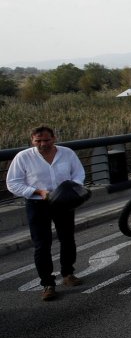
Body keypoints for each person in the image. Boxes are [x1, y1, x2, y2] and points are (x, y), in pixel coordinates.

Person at [6, 126, 86, 301]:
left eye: (47, 140)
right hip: (37, 204)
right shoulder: (23, 157)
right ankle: (47, 283)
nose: (43, 144)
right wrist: (38, 192)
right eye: (38, 141)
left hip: (63, 202)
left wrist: (70, 188)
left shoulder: (67, 153)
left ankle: (68, 273)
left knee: (67, 238)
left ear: (54, 138)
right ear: (32, 141)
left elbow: (79, 174)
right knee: (42, 244)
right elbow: (13, 183)